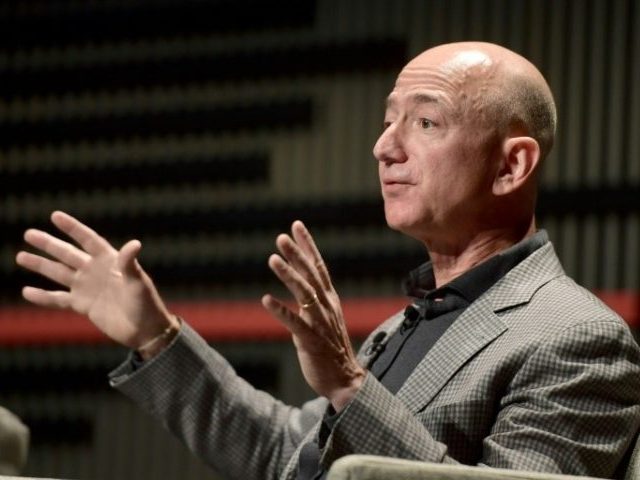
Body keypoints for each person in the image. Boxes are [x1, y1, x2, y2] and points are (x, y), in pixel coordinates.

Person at [15, 41, 640, 480]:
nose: (384, 147)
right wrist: (155, 335)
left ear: (511, 165)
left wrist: (349, 384)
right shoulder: (408, 324)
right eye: (389, 120)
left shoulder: (576, 337)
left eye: (426, 122)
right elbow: (282, 456)